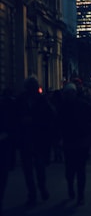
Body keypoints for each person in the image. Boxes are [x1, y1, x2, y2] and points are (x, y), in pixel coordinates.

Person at [15, 76, 55, 207]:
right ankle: (32, 193)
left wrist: (35, 121)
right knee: (28, 169)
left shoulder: (42, 100)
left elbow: (50, 117)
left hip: (38, 138)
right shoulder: (21, 100)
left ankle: (41, 188)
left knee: (39, 167)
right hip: (26, 139)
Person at [57, 83, 91, 205]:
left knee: (78, 170)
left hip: (77, 142)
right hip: (73, 141)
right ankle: (74, 190)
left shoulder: (68, 106)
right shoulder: (68, 106)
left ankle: (79, 194)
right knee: (73, 170)